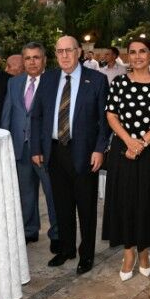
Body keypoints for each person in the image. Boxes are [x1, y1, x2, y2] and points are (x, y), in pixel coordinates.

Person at [31, 36, 110, 275]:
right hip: (55, 150)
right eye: (60, 51)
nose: (64, 56)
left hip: (85, 152)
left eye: (69, 51)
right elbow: (37, 116)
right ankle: (66, 249)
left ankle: (86, 255)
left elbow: (103, 120)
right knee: (61, 205)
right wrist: (36, 148)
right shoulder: (48, 79)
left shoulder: (96, 80)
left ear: (79, 52)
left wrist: (99, 149)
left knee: (86, 207)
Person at [103, 39, 150, 281]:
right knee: (125, 200)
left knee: (148, 201)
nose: (137, 56)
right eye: (132, 52)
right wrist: (129, 141)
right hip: (123, 151)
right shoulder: (119, 83)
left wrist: (142, 143)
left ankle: (144, 251)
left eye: (142, 51)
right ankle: (128, 253)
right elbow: (111, 115)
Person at [1, 42, 59, 253]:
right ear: (22, 61)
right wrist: (5, 143)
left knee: (52, 193)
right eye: (27, 58)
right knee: (25, 193)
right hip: (20, 147)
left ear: (44, 60)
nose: (32, 62)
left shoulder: (54, 82)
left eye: (36, 57)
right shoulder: (14, 83)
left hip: (44, 149)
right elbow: (8, 114)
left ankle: (57, 234)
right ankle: (29, 230)